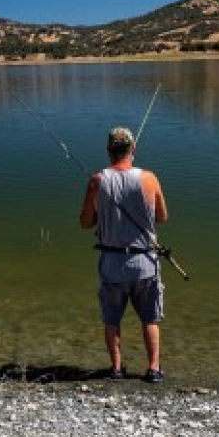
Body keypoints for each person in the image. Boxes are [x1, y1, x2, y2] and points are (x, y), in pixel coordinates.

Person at [80, 127, 168, 382]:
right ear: (133, 150)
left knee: (112, 319)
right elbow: (162, 217)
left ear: (109, 151)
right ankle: (153, 369)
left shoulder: (97, 181)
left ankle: (116, 369)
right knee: (150, 319)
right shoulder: (149, 178)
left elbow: (85, 223)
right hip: (144, 263)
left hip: (112, 264)